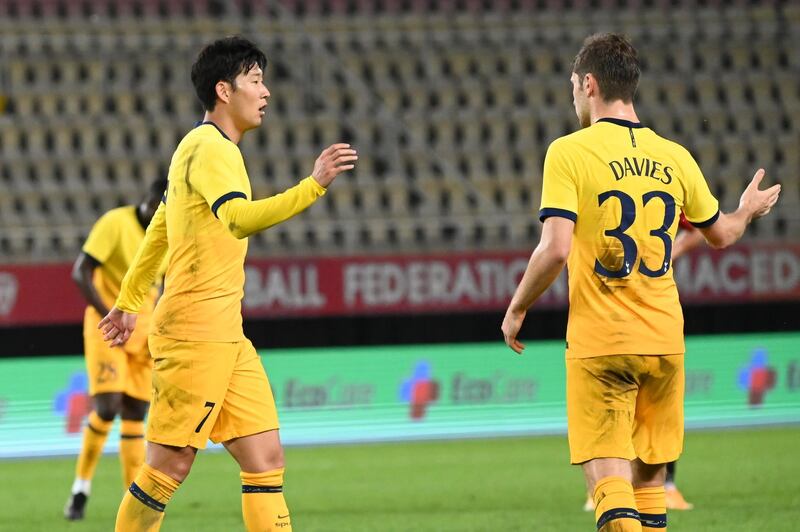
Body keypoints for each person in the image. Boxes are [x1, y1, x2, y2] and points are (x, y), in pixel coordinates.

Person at [501, 33, 780, 531]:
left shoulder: (568, 152)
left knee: (608, 490)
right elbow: (722, 234)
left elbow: (556, 247)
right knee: (650, 488)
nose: (572, 97)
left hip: (603, 343)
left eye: (572, 87)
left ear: (589, 84)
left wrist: (518, 307)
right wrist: (748, 210)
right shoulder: (674, 156)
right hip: (665, 343)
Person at [98, 36, 357, 531]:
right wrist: (313, 185)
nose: (265, 92)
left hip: (226, 333)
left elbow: (159, 229)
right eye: (255, 80)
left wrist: (130, 298)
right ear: (224, 89)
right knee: (168, 467)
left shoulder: (195, 146)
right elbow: (236, 218)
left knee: (264, 456)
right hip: (195, 333)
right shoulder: (211, 149)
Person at [582, 213, 701, 513]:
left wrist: (669, 255)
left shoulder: (646, 186)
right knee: (617, 412)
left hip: (641, 315)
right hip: (615, 316)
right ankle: (609, 488)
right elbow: (718, 230)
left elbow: (702, 229)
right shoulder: (597, 185)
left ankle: (660, 487)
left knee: (647, 414)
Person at [64, 178, 167, 520]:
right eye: (155, 206)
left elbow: (164, 285)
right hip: (107, 329)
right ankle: (81, 488)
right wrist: (107, 314)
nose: (157, 213)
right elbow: (81, 272)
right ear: (147, 201)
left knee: (136, 413)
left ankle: (131, 503)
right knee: (107, 407)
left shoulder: (169, 233)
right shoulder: (115, 223)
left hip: (144, 332)